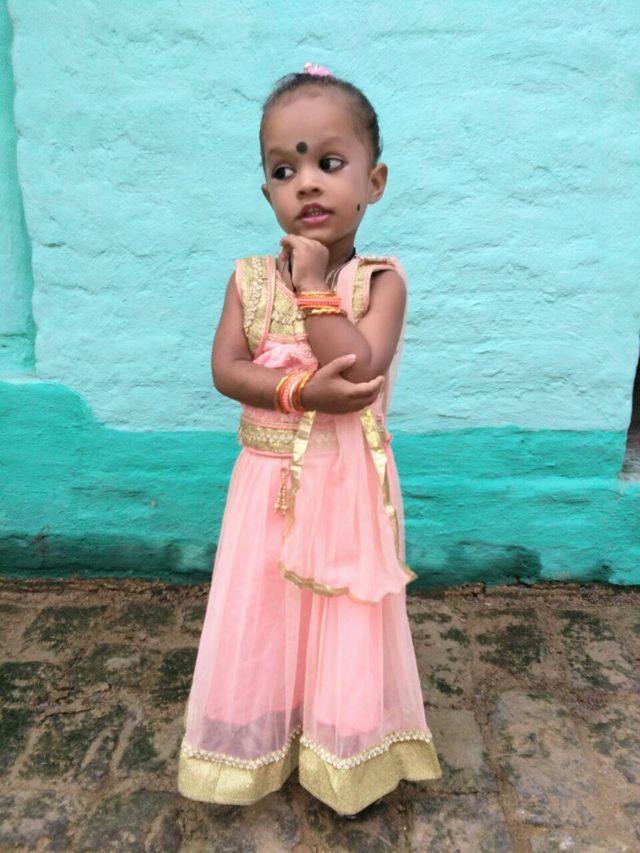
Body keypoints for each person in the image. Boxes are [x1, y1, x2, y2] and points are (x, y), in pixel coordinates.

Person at [177, 62, 442, 817]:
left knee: (343, 611)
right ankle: (261, 730)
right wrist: (296, 392)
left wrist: (317, 288)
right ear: (267, 192)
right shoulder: (249, 280)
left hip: (345, 486)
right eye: (284, 170)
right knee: (262, 605)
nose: (307, 185)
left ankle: (343, 742)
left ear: (373, 181)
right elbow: (228, 369)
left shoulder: (381, 282)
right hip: (265, 483)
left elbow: (357, 368)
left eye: (329, 162)